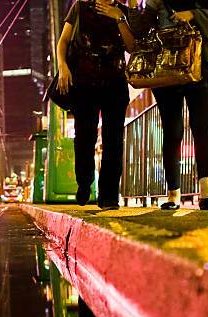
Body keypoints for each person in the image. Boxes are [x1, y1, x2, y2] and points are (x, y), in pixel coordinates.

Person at [128, 0, 208, 210]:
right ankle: (173, 195)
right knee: (173, 131)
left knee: (203, 126)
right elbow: (140, 31)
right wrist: (137, 8)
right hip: (166, 69)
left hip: (198, 65)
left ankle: (207, 191)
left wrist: (193, 14)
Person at [57, 0, 135, 210]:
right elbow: (63, 41)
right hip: (84, 83)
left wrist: (118, 17)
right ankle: (84, 181)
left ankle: (109, 196)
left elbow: (132, 46)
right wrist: (63, 67)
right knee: (84, 137)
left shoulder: (123, 11)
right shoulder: (80, 7)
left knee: (114, 141)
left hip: (115, 84)